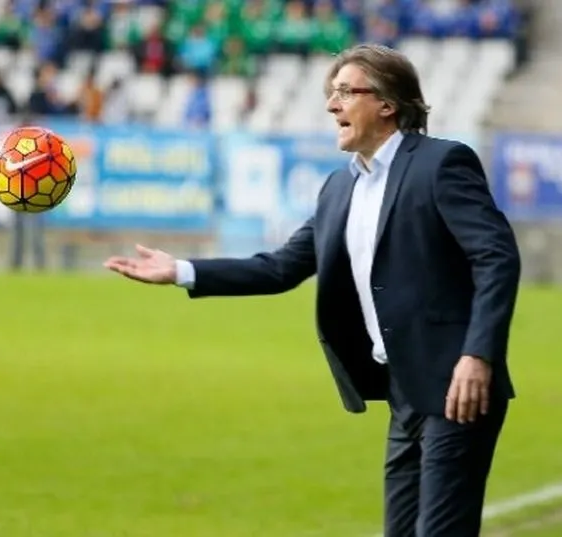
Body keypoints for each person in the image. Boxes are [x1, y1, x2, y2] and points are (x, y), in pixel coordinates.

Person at [105, 44, 522, 536]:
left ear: (387, 103)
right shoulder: (339, 188)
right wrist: (182, 271)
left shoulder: (441, 163)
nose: (331, 105)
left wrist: (478, 356)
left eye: (346, 92)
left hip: (457, 386)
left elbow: (497, 256)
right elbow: (281, 267)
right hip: (404, 392)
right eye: (331, 93)